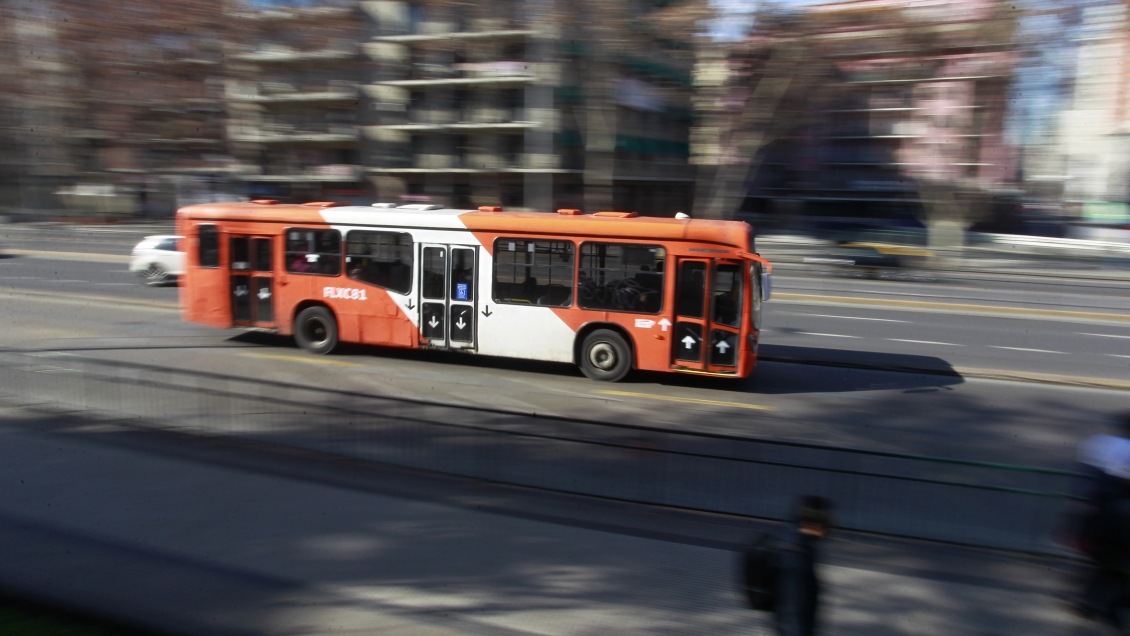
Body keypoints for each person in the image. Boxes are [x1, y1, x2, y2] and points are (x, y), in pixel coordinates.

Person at [775, 495, 832, 636]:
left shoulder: (799, 543)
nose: (832, 523)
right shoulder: (796, 554)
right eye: (827, 519)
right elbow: (793, 612)